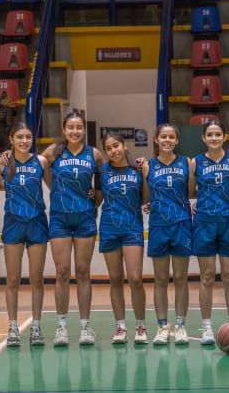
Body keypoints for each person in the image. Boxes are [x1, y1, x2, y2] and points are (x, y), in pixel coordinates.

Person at [42, 111, 105, 346]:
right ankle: (61, 326)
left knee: (83, 271)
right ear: (64, 129)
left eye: (79, 127)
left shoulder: (94, 154)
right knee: (62, 272)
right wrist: (54, 187)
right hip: (59, 217)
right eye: (71, 127)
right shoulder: (53, 151)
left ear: (84, 130)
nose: (75, 131)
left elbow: (104, 178)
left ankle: (85, 326)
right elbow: (37, 165)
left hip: (85, 217)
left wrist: (97, 195)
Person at [0, 122, 51, 347]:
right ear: (11, 139)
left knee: (37, 278)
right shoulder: (4, 162)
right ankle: (13, 328)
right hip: (13, 223)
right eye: (19, 137)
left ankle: (36, 327)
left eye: (28, 137)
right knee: (13, 279)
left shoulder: (41, 162)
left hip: (37, 223)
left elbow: (56, 188)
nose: (24, 141)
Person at [190, 120, 229, 345]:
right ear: (203, 138)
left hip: (228, 220)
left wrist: (227, 201)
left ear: (225, 137)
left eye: (218, 134)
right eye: (210, 134)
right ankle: (206, 327)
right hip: (204, 222)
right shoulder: (196, 162)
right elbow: (190, 189)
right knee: (207, 276)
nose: (214, 138)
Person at [97, 132, 150, 344]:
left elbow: (145, 199)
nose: (113, 151)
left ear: (124, 145)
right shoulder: (101, 171)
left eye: (116, 145)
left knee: (135, 279)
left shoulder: (137, 169)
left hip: (132, 228)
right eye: (108, 148)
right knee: (115, 280)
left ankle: (141, 326)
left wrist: (146, 174)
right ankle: (120, 327)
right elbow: (97, 199)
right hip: (109, 228)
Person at [145, 124, 194, 345]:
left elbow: (191, 190)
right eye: (163, 136)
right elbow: (145, 195)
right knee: (160, 280)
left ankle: (181, 326)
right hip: (158, 225)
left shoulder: (186, 163)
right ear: (156, 139)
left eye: (171, 137)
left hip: (182, 224)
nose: (167, 140)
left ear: (176, 140)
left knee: (181, 278)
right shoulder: (148, 166)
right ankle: (162, 327)